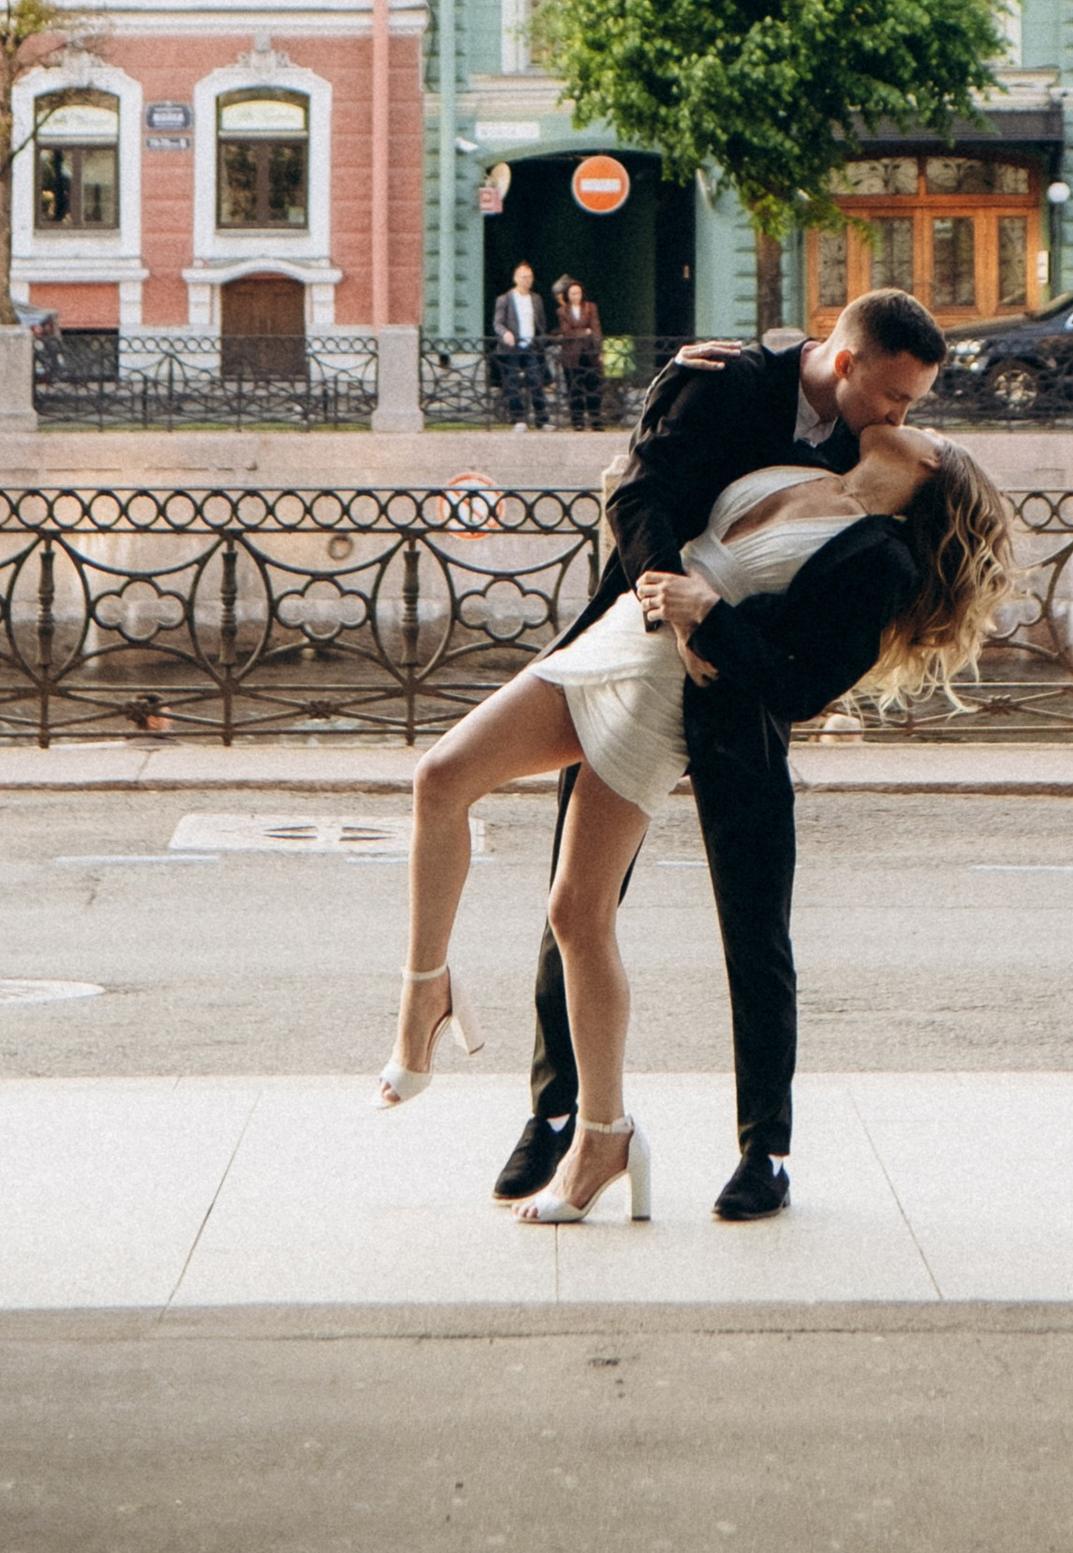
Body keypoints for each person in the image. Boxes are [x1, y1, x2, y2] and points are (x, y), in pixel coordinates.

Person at [378, 413, 1012, 1228]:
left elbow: (797, 684)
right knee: (443, 781)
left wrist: (707, 611)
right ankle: (434, 1002)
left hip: (661, 695)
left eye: (919, 422)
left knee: (586, 912)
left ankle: (644, 1140)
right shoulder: (797, 459)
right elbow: (662, 473)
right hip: (611, 640)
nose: (899, 417)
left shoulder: (880, 556)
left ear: (931, 467)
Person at [451, 292, 947, 1218]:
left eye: (912, 405)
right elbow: (637, 494)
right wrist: (660, 608)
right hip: (632, 660)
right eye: (891, 396)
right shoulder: (724, 379)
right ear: (843, 360)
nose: (899, 417)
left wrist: (722, 635)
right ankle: (554, 1112)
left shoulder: (875, 457)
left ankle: (766, 1149)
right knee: (578, 903)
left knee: (757, 923)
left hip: (737, 694)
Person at [489, 266, 550, 427]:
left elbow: (541, 323)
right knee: (512, 382)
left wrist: (540, 339)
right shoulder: (505, 299)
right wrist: (505, 333)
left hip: (530, 346)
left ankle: (542, 419)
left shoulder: (536, 299)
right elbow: (497, 323)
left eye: (529, 277)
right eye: (523, 277)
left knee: (536, 381)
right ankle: (518, 418)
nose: (527, 280)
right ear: (515, 278)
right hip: (511, 347)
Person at [551, 277, 605, 431]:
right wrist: (584, 331)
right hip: (571, 355)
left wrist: (598, 348)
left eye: (578, 293)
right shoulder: (562, 311)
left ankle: (596, 420)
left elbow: (595, 328)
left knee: (593, 386)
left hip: (590, 353)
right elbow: (566, 331)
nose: (576, 296)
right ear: (568, 295)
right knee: (574, 388)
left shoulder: (590, 307)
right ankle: (577, 421)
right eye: (572, 293)